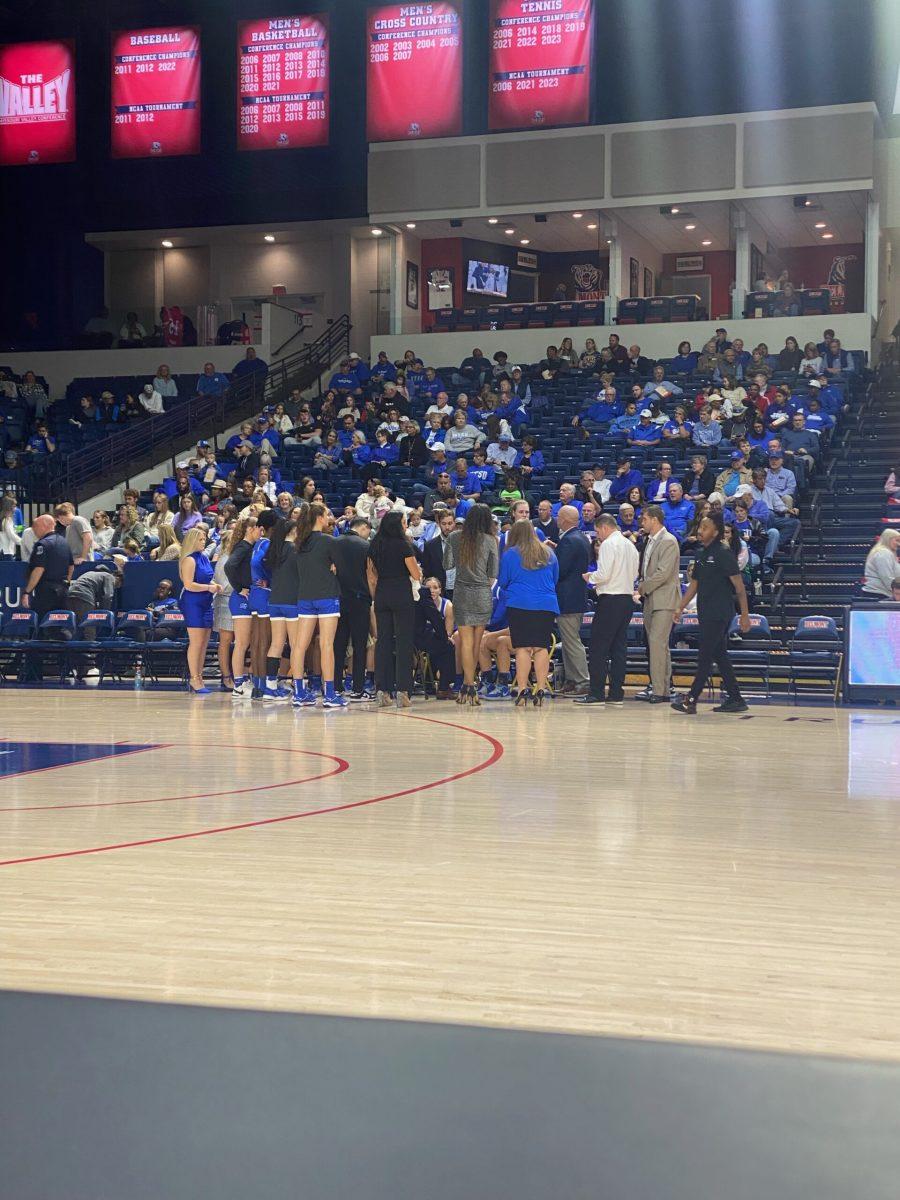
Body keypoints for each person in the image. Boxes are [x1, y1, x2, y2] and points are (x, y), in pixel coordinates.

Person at [671, 514, 751, 715]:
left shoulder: (724, 553)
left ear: (715, 532)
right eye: (700, 526)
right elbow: (694, 585)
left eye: (705, 527)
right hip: (706, 612)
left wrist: (745, 615)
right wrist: (680, 607)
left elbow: (739, 587)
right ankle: (736, 698)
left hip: (720, 613)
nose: (700, 530)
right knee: (720, 655)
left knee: (705, 655)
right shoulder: (701, 553)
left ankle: (691, 699)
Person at [576, 514, 639, 707]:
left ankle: (596, 693)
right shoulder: (630, 545)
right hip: (627, 599)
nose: (598, 536)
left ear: (604, 527)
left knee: (599, 647)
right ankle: (616, 693)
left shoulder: (608, 545)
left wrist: (589, 577)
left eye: (597, 531)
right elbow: (636, 574)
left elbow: (604, 574)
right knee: (619, 648)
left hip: (610, 599)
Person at [497, 520, 559, 707]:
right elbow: (555, 578)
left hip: (520, 604)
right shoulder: (549, 553)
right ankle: (540, 689)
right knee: (541, 648)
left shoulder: (510, 554)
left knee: (523, 648)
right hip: (546, 604)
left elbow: (503, 581)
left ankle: (522, 690)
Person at [443, 504, 498, 706]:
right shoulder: (491, 540)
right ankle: (470, 683)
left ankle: (468, 684)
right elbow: (494, 571)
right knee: (476, 642)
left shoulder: (455, 537)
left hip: (462, 592)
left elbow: (446, 564)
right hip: (483, 593)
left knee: (465, 642)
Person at [367, 510, 422, 707]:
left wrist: (376, 597)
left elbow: (371, 577)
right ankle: (403, 691)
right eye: (404, 522)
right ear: (397, 525)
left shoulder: (375, 544)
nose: (406, 525)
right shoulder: (403, 545)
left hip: (382, 593)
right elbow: (415, 575)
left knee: (383, 642)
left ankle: (382, 690)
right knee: (403, 642)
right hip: (401, 593)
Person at [636, 505, 681, 702]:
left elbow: (663, 573)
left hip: (664, 599)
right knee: (659, 646)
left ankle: (659, 690)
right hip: (651, 599)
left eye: (644, 519)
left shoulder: (669, 541)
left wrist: (642, 588)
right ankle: (663, 688)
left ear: (654, 519)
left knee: (657, 644)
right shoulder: (649, 540)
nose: (641, 522)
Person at [332, 517, 375, 701]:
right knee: (359, 646)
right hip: (360, 600)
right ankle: (358, 688)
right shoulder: (365, 546)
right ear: (364, 528)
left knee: (338, 645)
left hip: (337, 600)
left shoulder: (334, 542)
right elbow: (371, 576)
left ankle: (335, 686)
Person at [261, 518, 300, 703]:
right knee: (295, 645)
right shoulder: (295, 550)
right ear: (292, 531)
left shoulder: (274, 549)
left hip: (274, 601)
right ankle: (298, 687)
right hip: (292, 601)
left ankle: (270, 688)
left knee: (276, 644)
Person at [553, 505, 591, 695]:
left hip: (568, 599)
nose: (556, 519)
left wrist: (550, 557)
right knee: (568, 641)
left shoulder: (569, 541)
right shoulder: (581, 538)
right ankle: (571, 679)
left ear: (566, 519)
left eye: (558, 516)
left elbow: (560, 570)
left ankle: (582, 681)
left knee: (572, 641)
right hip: (575, 598)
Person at [179, 526, 220, 695]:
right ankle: (194, 678)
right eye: (201, 539)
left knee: (204, 643)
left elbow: (207, 578)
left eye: (205, 539)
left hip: (206, 601)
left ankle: (200, 676)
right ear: (192, 541)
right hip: (193, 602)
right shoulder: (189, 559)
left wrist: (213, 586)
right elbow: (188, 585)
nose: (204, 542)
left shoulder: (203, 558)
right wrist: (208, 588)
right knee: (196, 642)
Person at [21, 515, 74, 617]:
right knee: (60, 623)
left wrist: (27, 592)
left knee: (42, 623)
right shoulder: (64, 542)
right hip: (63, 591)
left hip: (46, 592)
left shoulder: (42, 544)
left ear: (44, 526)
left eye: (35, 526)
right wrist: (66, 583)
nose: (34, 530)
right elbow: (71, 566)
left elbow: (39, 569)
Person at [861, 530, 900, 600]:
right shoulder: (884, 553)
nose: (899, 544)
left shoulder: (885, 553)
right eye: (897, 540)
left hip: (882, 594)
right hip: (879, 595)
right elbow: (887, 578)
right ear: (888, 540)